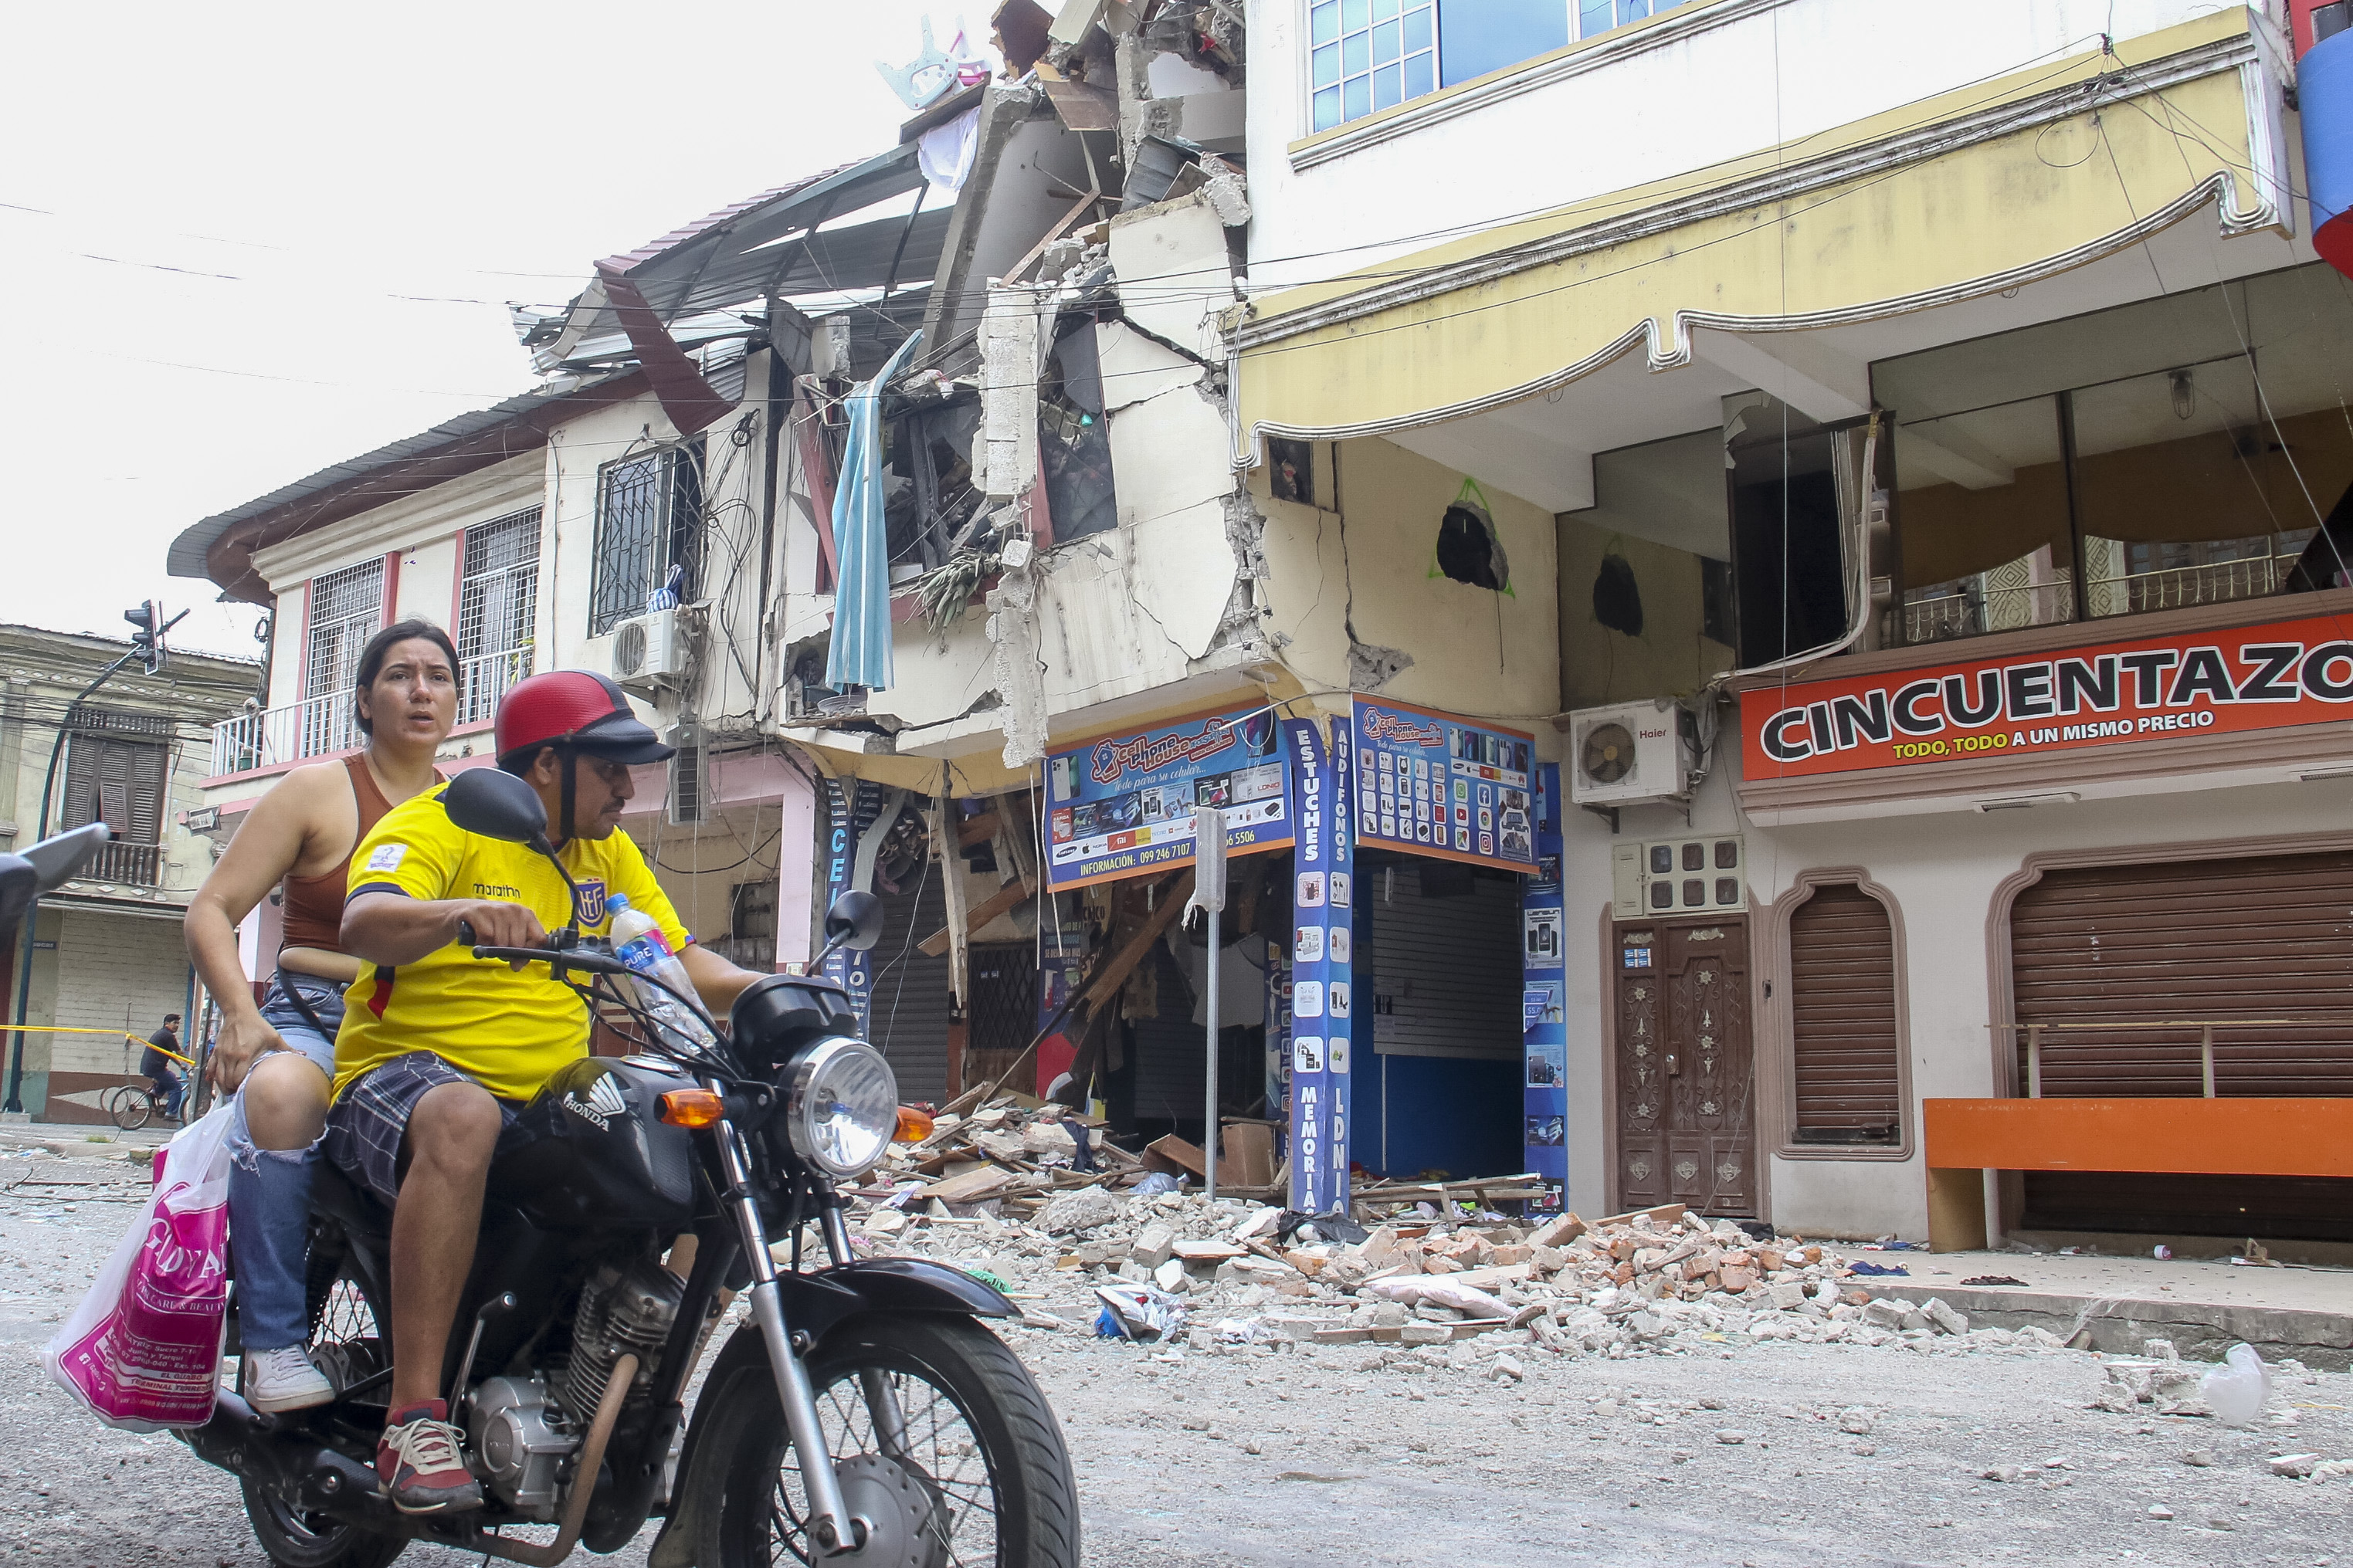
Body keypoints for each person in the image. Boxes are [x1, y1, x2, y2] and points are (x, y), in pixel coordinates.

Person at [326, 670, 765, 1515]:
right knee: (464, 1115)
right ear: (546, 769)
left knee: (708, 1143)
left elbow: (675, 958)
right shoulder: (439, 820)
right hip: (403, 1078)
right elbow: (365, 921)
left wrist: (775, 992)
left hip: (544, 1095)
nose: (627, 788)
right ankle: (411, 1419)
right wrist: (458, 913)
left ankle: (638, 1399)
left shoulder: (606, 854)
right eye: (610, 768)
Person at [184, 621, 459, 1414]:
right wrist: (239, 1014)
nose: (420, 690)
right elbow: (210, 910)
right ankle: (272, 1342)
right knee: (279, 1097)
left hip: (433, 1023)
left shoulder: (469, 805)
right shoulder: (317, 790)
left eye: (437, 677)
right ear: (366, 702)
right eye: (400, 675)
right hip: (317, 1013)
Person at [138, 1015, 185, 1121]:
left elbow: (170, 1055)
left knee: (169, 1078)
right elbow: (179, 1053)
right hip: (156, 1068)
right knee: (176, 1088)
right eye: (175, 1023)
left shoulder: (162, 1034)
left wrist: (181, 1065)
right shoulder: (168, 1035)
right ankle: (171, 1113)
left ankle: (153, 1094)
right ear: (166, 1023)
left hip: (149, 1067)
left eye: (178, 1023)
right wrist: (193, 1063)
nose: (177, 1026)